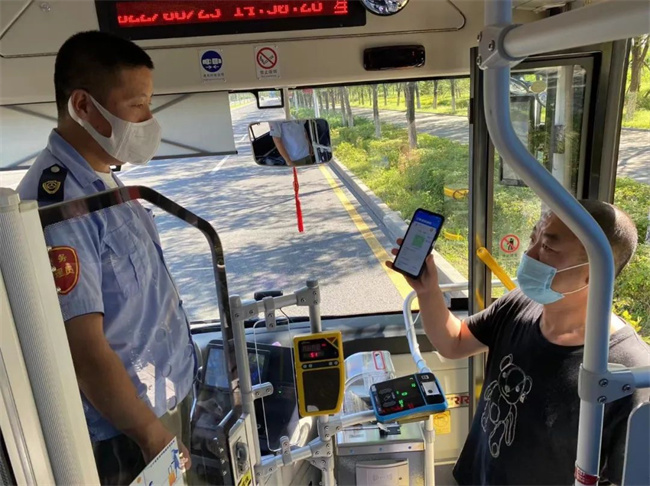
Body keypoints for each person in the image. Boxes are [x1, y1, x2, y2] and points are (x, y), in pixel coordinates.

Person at [17, 31, 196, 485]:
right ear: (83, 106)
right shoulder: (60, 205)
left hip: (160, 408)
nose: (149, 120)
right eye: (137, 105)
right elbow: (84, 349)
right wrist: (152, 436)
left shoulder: (102, 179)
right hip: (127, 435)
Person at [388, 200, 649, 485]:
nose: (530, 254)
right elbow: (455, 342)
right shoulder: (520, 304)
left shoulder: (628, 374)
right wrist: (428, 291)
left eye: (547, 247)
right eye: (533, 239)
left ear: (595, 270)